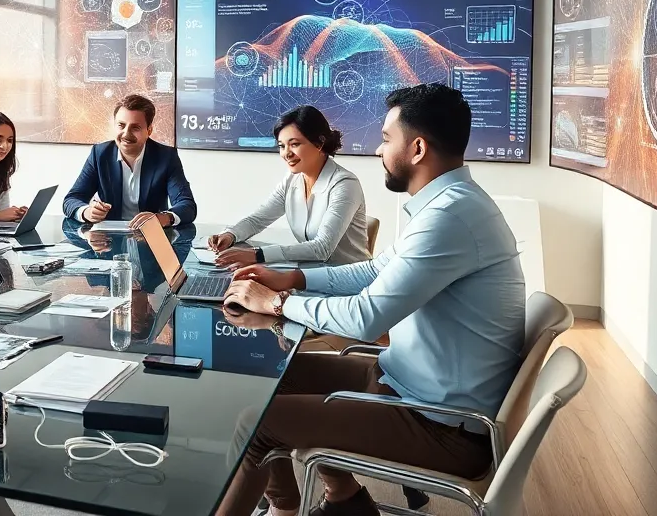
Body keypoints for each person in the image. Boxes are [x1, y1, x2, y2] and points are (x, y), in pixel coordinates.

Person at [217, 84, 525, 516]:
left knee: (257, 423)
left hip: (440, 424)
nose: (378, 151)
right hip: (405, 382)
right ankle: (345, 501)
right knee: (266, 376)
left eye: (385, 139)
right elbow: (374, 270)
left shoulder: (450, 217)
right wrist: (291, 277)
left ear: (416, 149)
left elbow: (365, 318)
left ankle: (286, 510)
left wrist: (278, 303)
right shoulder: (443, 205)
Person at [207, 106, 368, 269]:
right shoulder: (292, 180)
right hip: (310, 274)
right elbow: (258, 220)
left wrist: (257, 254)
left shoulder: (345, 184)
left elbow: (322, 248)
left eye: (294, 144)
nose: (286, 153)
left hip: (349, 280)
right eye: (282, 146)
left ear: (319, 143)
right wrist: (230, 234)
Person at [61, 93, 197, 230]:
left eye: (135, 127)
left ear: (149, 130)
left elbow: (187, 205)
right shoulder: (100, 154)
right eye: (121, 125)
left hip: (151, 239)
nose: (126, 134)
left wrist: (162, 218)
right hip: (108, 241)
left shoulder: (166, 157)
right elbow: (71, 200)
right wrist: (86, 212)